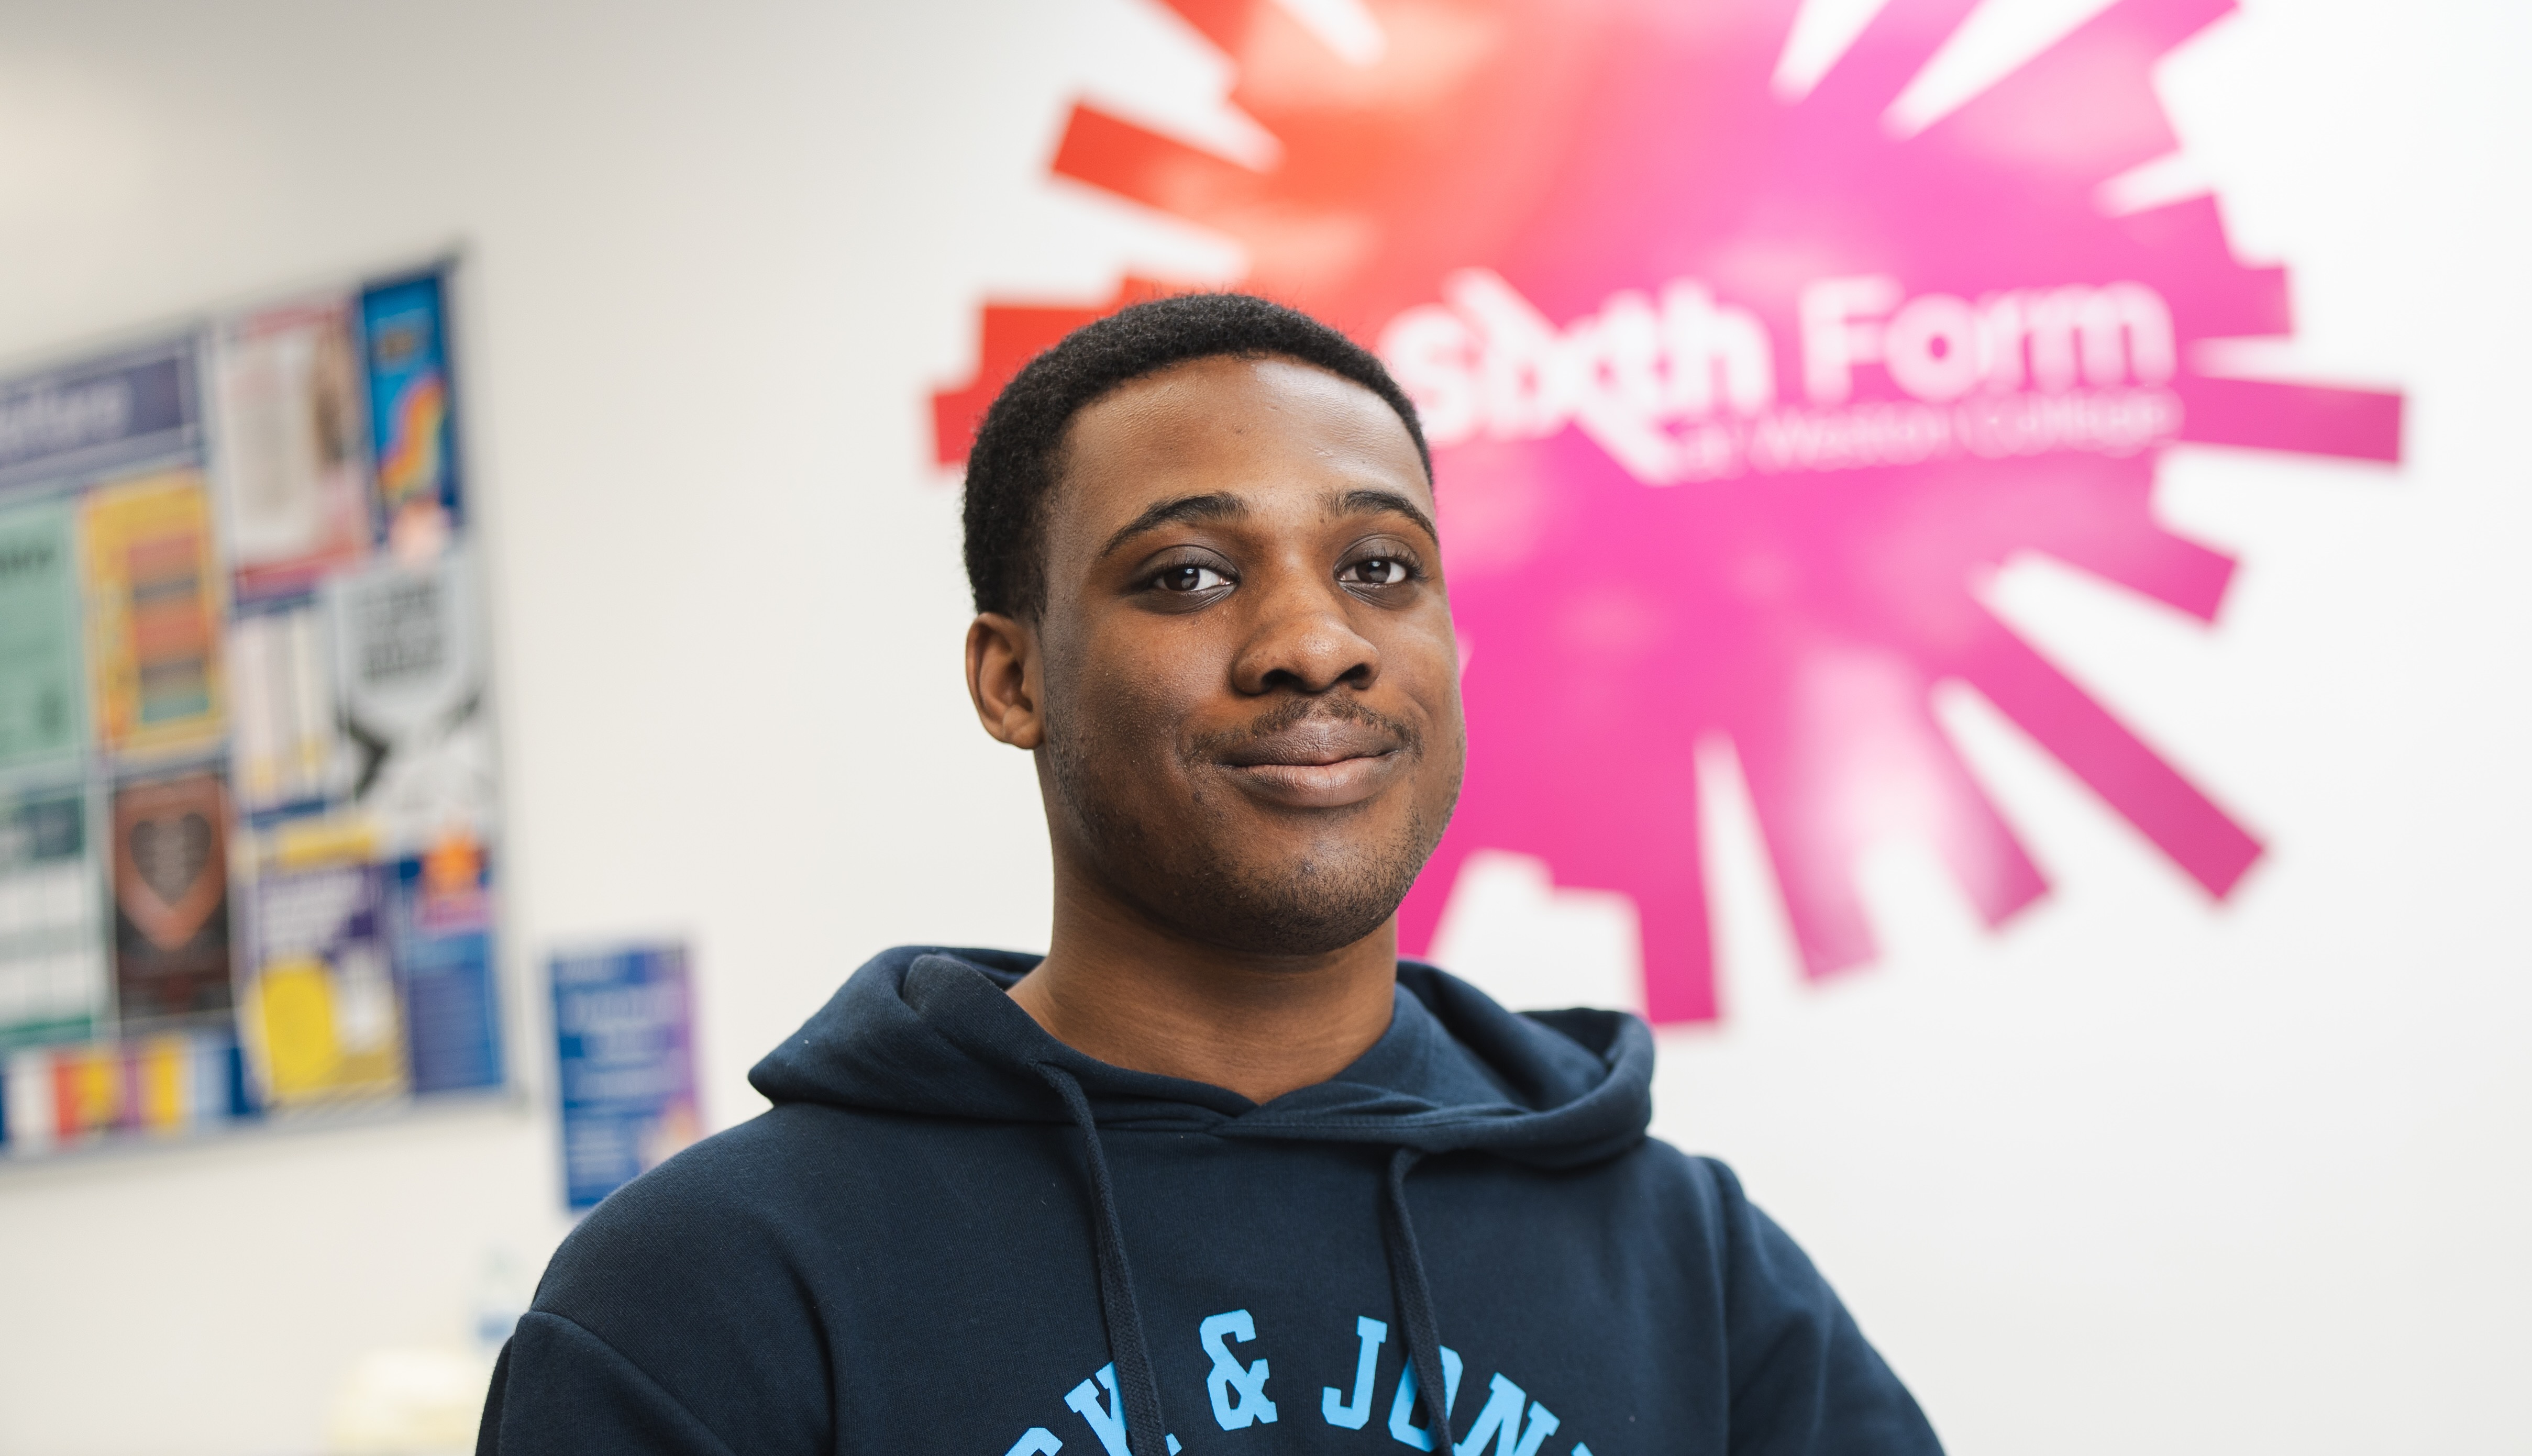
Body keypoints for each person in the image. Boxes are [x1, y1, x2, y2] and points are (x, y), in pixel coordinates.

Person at [479, 294, 1941, 1456]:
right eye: (1186, 574)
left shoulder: (1688, 1266)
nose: (1315, 642)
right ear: (1011, 678)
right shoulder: (716, 1293)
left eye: (1380, 568)